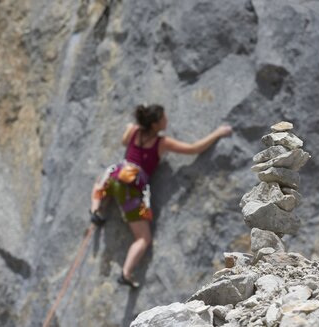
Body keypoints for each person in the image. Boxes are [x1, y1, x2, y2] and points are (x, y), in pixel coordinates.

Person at [90, 104, 232, 288]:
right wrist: (217, 133)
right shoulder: (161, 143)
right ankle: (126, 273)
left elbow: (125, 142)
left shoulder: (133, 130)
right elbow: (193, 149)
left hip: (116, 177)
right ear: (156, 124)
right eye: (164, 118)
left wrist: (128, 128)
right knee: (143, 238)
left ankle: (96, 210)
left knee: (99, 184)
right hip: (131, 191)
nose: (167, 121)